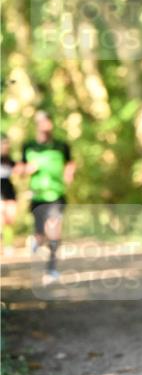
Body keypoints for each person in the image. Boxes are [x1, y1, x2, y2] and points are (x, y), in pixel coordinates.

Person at [18, 110, 76, 282]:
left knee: (54, 231)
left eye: (48, 121)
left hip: (56, 194)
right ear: (37, 125)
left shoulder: (61, 145)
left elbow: (70, 162)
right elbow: (19, 169)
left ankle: (51, 269)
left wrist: (69, 173)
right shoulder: (29, 146)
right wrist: (27, 169)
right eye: (42, 122)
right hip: (37, 196)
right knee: (40, 235)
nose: (46, 125)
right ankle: (36, 241)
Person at [1, 136, 18, 252]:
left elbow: (20, 170)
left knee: (9, 221)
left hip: (10, 192)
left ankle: (8, 245)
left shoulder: (10, 161)